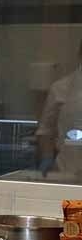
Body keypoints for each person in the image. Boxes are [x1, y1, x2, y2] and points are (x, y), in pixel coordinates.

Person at [36, 39, 82, 180]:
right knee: (71, 203)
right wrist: (47, 158)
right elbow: (46, 131)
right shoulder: (61, 88)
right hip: (68, 173)